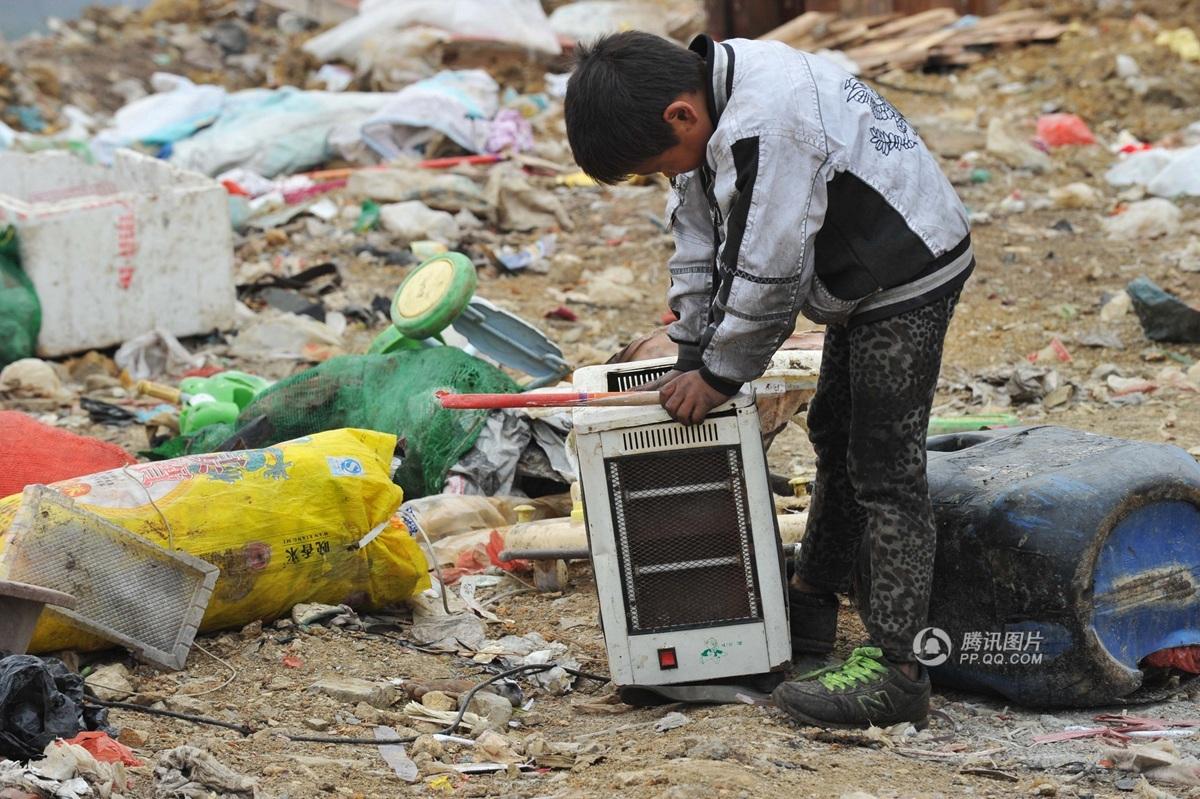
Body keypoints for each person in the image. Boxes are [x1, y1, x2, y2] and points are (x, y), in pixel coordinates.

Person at [563, 31, 973, 729]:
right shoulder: (708, 102)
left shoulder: (768, 120)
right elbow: (699, 237)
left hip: (907, 271)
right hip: (857, 278)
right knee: (834, 432)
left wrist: (719, 375)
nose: (666, 174)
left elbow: (769, 271)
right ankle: (811, 603)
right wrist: (690, 345)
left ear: (679, 118)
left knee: (884, 467)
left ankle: (901, 669)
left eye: (657, 163)